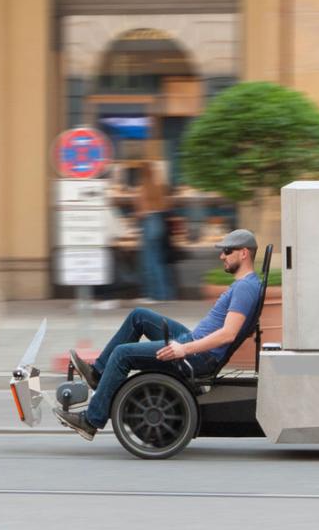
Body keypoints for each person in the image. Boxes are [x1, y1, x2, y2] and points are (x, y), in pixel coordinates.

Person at [55, 229, 262, 440]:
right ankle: (98, 375)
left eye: (227, 251)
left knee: (121, 354)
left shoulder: (245, 288)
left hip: (197, 355)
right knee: (139, 316)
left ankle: (91, 421)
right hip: (193, 341)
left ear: (244, 253)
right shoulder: (247, 285)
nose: (222, 256)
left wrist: (183, 349)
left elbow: (228, 334)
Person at [134, 161, 175, 302]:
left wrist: (137, 214)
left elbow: (142, 211)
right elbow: (166, 206)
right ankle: (165, 294)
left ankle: (153, 295)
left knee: (149, 262)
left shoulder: (144, 187)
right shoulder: (159, 187)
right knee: (159, 261)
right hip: (159, 222)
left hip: (149, 223)